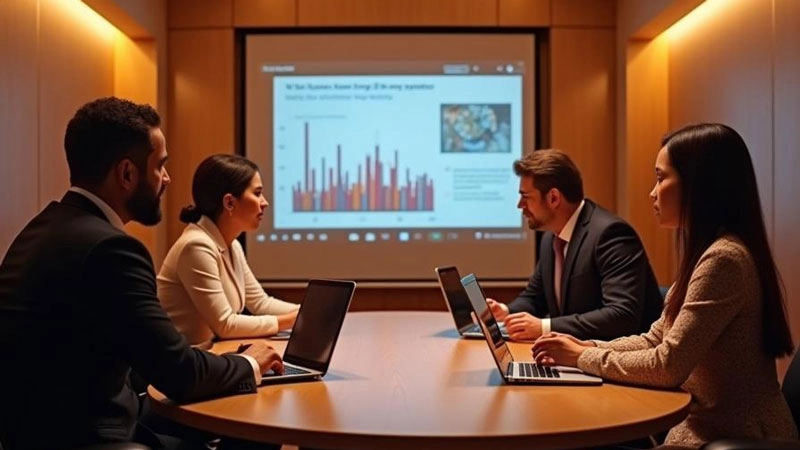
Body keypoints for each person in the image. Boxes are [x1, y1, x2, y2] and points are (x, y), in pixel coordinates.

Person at [0, 97, 284, 450]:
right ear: (127, 174)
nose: (168, 178)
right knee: (259, 428)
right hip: (95, 435)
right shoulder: (111, 250)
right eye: (160, 166)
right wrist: (246, 363)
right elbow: (179, 373)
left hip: (46, 430)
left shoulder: (42, 229)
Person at [532, 123, 798, 447]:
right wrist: (588, 347)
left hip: (732, 437)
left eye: (661, 177)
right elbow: (655, 338)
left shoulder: (723, 260)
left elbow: (667, 365)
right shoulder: (709, 253)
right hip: (700, 432)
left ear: (699, 185)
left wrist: (579, 359)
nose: (652, 192)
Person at [487, 149, 663, 341]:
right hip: (576, 355)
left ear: (553, 198)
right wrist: (504, 312)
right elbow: (535, 297)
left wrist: (544, 327)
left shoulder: (610, 234)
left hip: (620, 360)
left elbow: (622, 315)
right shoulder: (550, 238)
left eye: (526, 197)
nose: (520, 205)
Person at [158, 154, 299, 348]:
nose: (264, 202)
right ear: (229, 203)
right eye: (257, 193)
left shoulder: (232, 245)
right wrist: (292, 320)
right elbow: (225, 324)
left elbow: (260, 303)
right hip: (181, 366)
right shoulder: (196, 246)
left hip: (207, 355)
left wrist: (307, 313)